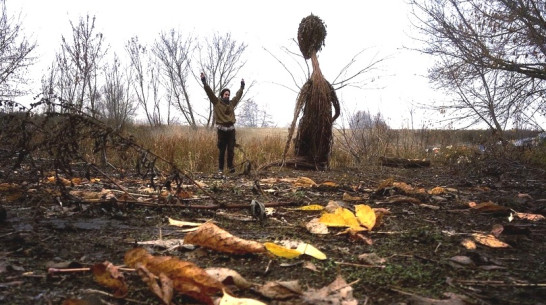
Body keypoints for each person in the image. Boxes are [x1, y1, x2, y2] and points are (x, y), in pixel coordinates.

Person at [200, 72, 245, 174]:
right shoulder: (216, 102)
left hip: (231, 130)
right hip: (221, 131)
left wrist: (242, 87)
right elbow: (209, 92)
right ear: (222, 95)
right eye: (225, 94)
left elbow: (238, 96)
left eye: (228, 95)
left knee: (230, 150)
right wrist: (204, 82)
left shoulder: (231, 103)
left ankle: (230, 167)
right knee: (222, 151)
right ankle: (220, 169)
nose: (227, 96)